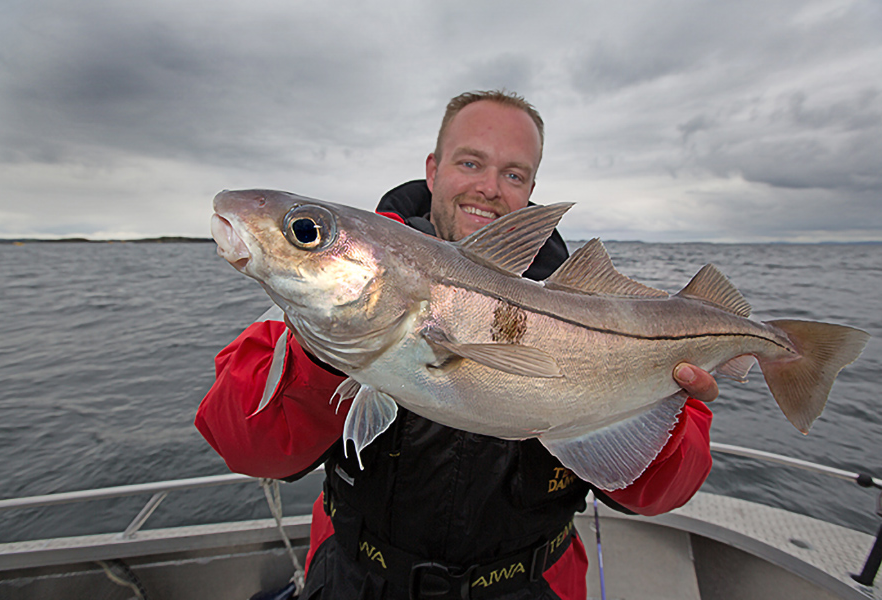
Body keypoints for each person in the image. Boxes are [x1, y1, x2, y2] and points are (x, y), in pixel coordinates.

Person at [196, 90, 717, 599]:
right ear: (432, 169)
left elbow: (660, 493)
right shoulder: (310, 304)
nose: (489, 187)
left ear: (532, 188)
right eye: (470, 163)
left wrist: (663, 403)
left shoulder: (596, 305)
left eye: (514, 174)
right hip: (358, 576)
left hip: (534, 584)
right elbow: (243, 443)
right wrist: (321, 354)